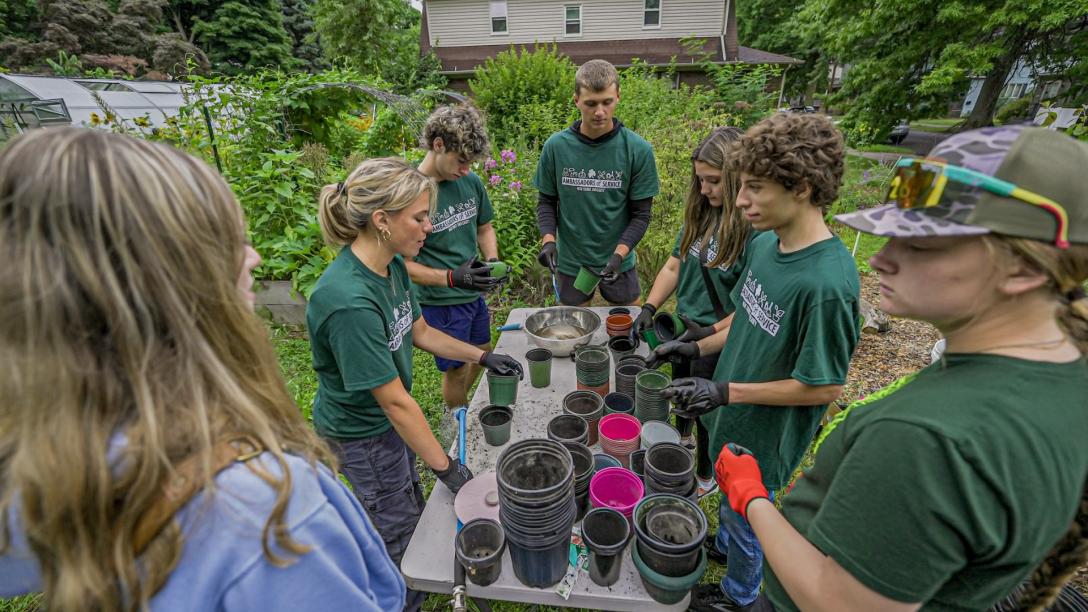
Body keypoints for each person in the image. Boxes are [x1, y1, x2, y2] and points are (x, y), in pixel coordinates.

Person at [0, 128, 406, 611]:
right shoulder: (269, 514)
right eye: (230, 242)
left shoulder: (53, 467)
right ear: (171, 283)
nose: (254, 256)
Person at [713, 125, 1088, 611]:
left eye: (920, 243)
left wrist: (752, 496)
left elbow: (839, 603)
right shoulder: (1059, 372)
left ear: (1024, 268)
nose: (883, 260)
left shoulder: (925, 439)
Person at [657, 113, 861, 612]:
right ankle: (726, 550)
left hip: (766, 434)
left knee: (748, 513)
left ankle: (741, 596)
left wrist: (725, 392)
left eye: (754, 188)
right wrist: (698, 345)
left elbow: (823, 386)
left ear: (803, 187)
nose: (740, 200)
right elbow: (744, 319)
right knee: (729, 506)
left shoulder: (827, 284)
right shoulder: (768, 244)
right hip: (735, 412)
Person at [307, 157, 522, 612]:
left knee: (410, 500)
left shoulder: (394, 266)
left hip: (387, 426)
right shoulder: (348, 300)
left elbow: (420, 331)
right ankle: (402, 599)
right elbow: (394, 402)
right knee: (397, 528)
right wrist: (446, 466)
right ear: (382, 221)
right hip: (360, 433)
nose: (429, 227)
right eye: (420, 217)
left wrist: (482, 355)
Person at [634, 126, 750, 497]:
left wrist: (707, 334)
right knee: (681, 392)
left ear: (737, 177)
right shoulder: (700, 215)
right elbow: (674, 266)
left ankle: (704, 476)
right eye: (700, 180)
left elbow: (749, 306)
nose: (704, 190)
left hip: (718, 337)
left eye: (713, 181)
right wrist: (649, 307)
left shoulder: (752, 230)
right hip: (686, 326)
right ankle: (681, 441)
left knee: (707, 412)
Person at [534, 59, 660, 306]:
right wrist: (548, 241)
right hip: (572, 264)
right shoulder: (556, 147)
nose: (599, 112)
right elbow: (546, 202)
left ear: (618, 97)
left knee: (629, 330)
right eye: (591, 104)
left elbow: (641, 215)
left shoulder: (637, 149)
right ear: (576, 100)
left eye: (607, 102)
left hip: (618, 262)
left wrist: (619, 255)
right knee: (573, 331)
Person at [407, 105, 503, 412]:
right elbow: (402, 265)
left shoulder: (470, 182)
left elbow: (484, 227)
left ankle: (460, 403)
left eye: (471, 162)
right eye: (461, 160)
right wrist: (451, 277)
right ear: (438, 145)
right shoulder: (411, 192)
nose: (466, 170)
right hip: (440, 299)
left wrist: (491, 259)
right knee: (459, 366)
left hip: (470, 289)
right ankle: (455, 422)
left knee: (482, 350)